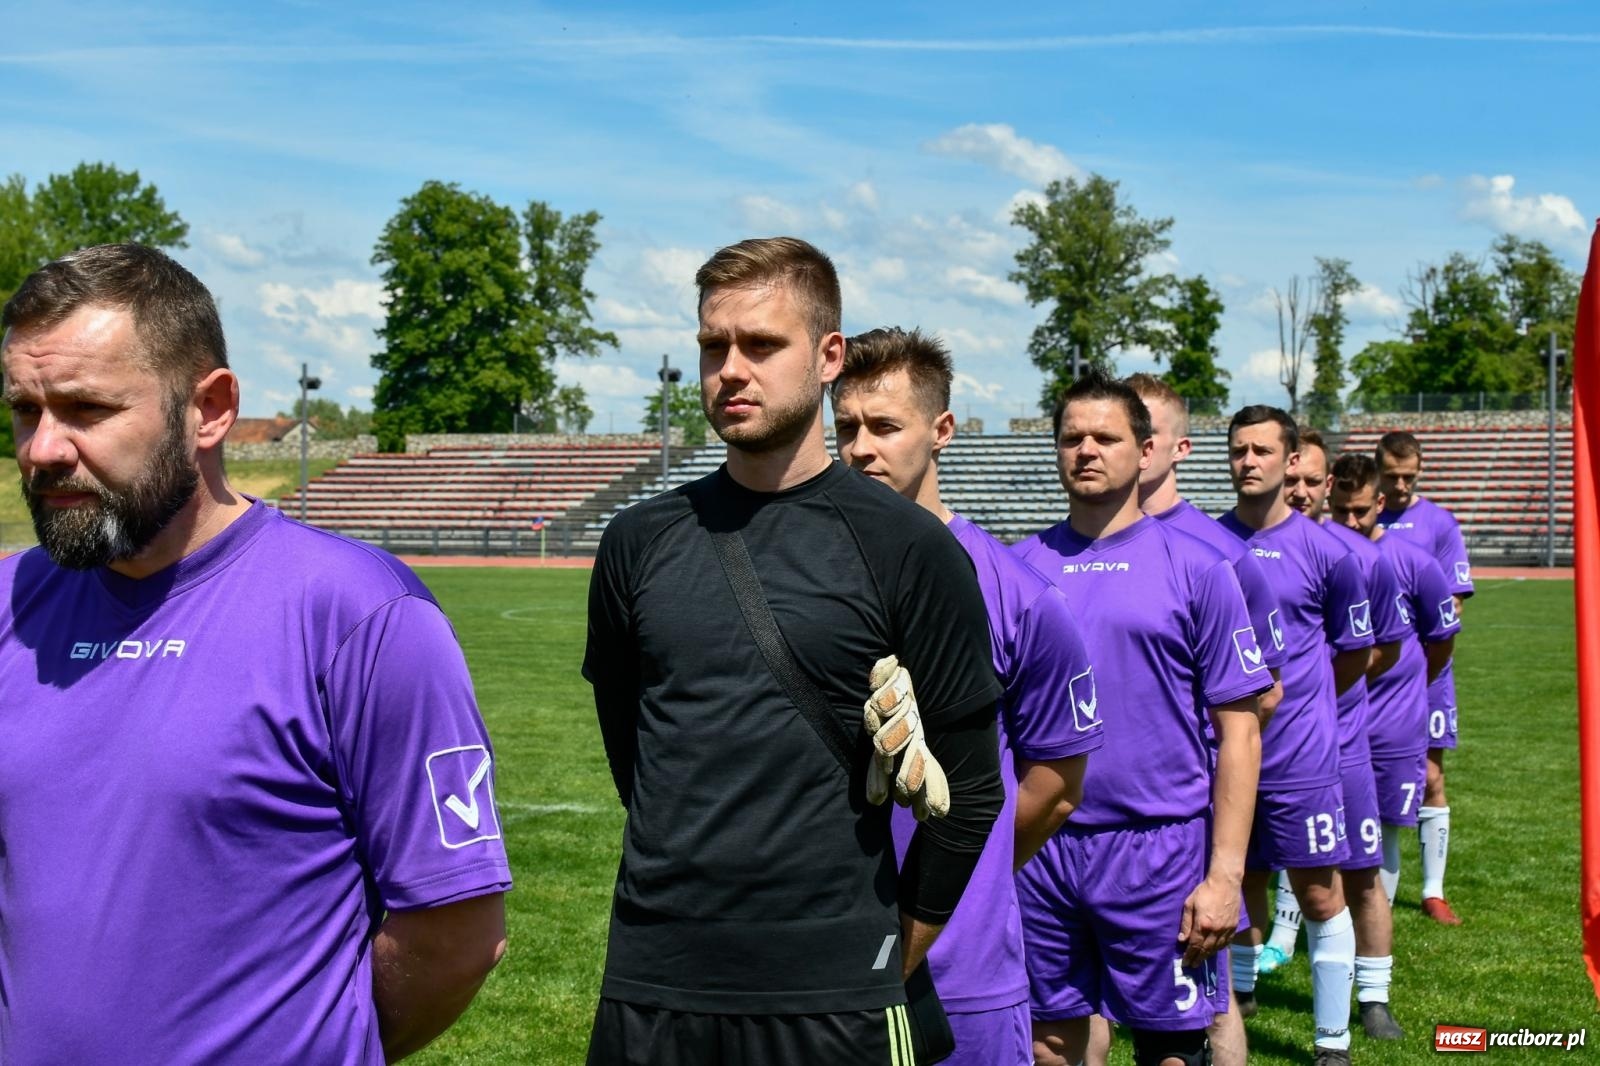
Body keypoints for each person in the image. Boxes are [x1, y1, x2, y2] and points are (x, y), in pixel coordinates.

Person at [0, 244, 511, 1064]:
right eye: (26, 410)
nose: (43, 449)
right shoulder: (9, 603)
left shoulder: (360, 614)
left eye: (87, 409)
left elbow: (457, 936)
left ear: (210, 408)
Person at [583, 238, 1004, 1066]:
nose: (732, 368)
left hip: (836, 990)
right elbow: (634, 760)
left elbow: (974, 795)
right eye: (714, 346)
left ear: (828, 357)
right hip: (654, 977)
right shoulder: (638, 542)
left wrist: (889, 958)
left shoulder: (908, 548)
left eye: (762, 344)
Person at [831, 326, 1101, 1066]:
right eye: (846, 427)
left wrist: (962, 874)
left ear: (941, 431)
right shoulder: (805, 579)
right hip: (813, 964)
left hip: (961, 972)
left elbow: (1055, 786)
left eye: (885, 426)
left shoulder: (1020, 596)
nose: (861, 448)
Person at [1013, 371, 1265, 1066]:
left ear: (1145, 449)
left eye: (1105, 437)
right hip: (1041, 849)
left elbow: (1241, 733)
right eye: (1072, 438)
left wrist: (1224, 877)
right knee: (1047, 1045)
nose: (1086, 450)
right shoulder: (1019, 569)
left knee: (1174, 1050)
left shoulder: (1199, 568)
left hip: (1161, 851)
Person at [1125, 373, 1286, 1066]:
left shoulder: (1222, 554)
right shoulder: (1076, 548)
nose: (1136, 441)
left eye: (1148, 429)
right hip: (1087, 828)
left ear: (1175, 445)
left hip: (1179, 823)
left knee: (1204, 1007)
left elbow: (1264, 695)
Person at [1218, 407, 1372, 1066]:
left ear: (1291, 463)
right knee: (1234, 880)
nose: (1248, 461)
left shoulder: (1330, 553)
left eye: (1261, 451)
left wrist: (1301, 714)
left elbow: (1354, 656)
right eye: (1238, 450)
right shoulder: (1201, 542)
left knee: (1317, 891)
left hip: (1300, 761)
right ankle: (1241, 997)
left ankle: (1332, 1042)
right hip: (1223, 758)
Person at [1278, 430, 1409, 1041]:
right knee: (1257, 872)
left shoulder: (1357, 558)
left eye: (1310, 481)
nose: (1299, 491)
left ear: (1326, 484)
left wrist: (1316, 697)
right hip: (1268, 748)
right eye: (1292, 479)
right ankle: (1247, 990)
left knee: (1359, 872)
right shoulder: (1238, 544)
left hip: (1343, 745)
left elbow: (1380, 648)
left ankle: (1374, 996)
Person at [1329, 453, 1460, 912]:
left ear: (1379, 503)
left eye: (1360, 511)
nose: (1349, 521)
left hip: (1391, 714)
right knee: (1319, 811)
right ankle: (1291, 932)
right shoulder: (1318, 552)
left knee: (1383, 821)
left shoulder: (1414, 562)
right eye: (1340, 510)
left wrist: (1412, 686)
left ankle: (1386, 915)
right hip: (1332, 708)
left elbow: (1442, 638)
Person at [1375, 430, 1473, 925]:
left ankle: (1433, 891)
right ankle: (1370, 892)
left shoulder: (1438, 523)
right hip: (1367, 675)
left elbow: (1452, 604)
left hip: (1427, 673)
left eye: (1408, 477)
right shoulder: (1360, 517)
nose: (1399, 486)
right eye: (1390, 476)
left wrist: (1419, 671)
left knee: (1431, 776)